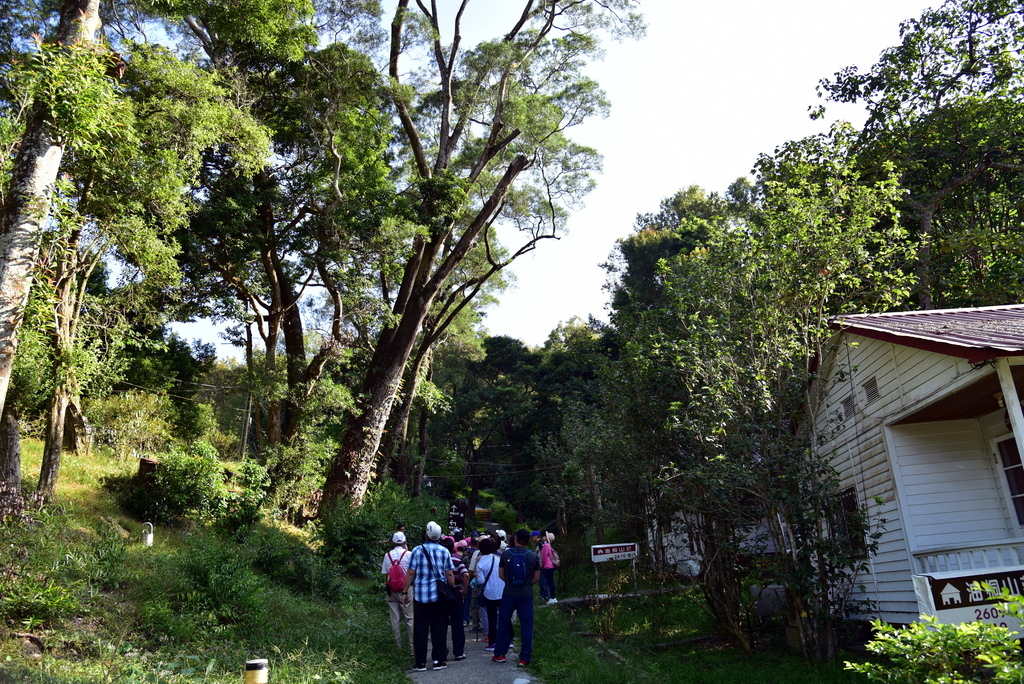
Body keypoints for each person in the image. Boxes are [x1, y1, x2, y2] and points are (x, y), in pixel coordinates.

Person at [405, 521, 456, 672]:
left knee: (420, 629)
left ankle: (420, 662)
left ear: (426, 534)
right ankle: (438, 660)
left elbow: (410, 573)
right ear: (439, 536)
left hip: (420, 596)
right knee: (438, 629)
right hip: (438, 597)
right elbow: (449, 574)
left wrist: (404, 591)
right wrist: (451, 590)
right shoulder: (444, 551)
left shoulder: (416, 550)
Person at [492, 528, 540, 666]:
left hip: (508, 593)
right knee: (526, 625)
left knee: (504, 623)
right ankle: (524, 658)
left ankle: (500, 654)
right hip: (526, 594)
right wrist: (526, 584)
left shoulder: (506, 554)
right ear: (529, 540)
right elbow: (536, 577)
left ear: (515, 539)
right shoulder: (532, 556)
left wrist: (510, 582)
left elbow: (501, 574)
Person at [382, 531, 413, 653]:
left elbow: (385, 574)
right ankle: (412, 649)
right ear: (405, 541)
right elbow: (412, 572)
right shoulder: (409, 554)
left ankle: (398, 648)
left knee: (394, 619)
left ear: (393, 542)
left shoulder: (387, 555)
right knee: (409, 619)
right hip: (406, 589)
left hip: (391, 590)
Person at [440, 537, 469, 660]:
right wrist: (464, 590)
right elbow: (466, 574)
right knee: (457, 623)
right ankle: (458, 652)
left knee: (441, 623)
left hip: (441, 593)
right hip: (456, 592)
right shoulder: (457, 560)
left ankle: (441, 651)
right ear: (453, 548)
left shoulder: (439, 560)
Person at [474, 536, 505, 649]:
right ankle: (508, 639)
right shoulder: (498, 558)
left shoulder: (481, 563)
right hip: (502, 591)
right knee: (503, 616)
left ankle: (492, 642)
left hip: (489, 592)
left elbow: (481, 580)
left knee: (492, 618)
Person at [539, 532, 558, 604]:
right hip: (550, 565)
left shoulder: (546, 546)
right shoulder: (548, 545)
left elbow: (544, 557)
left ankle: (553, 597)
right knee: (550, 581)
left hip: (547, 566)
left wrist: (542, 564)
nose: (543, 537)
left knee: (550, 582)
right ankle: (552, 597)